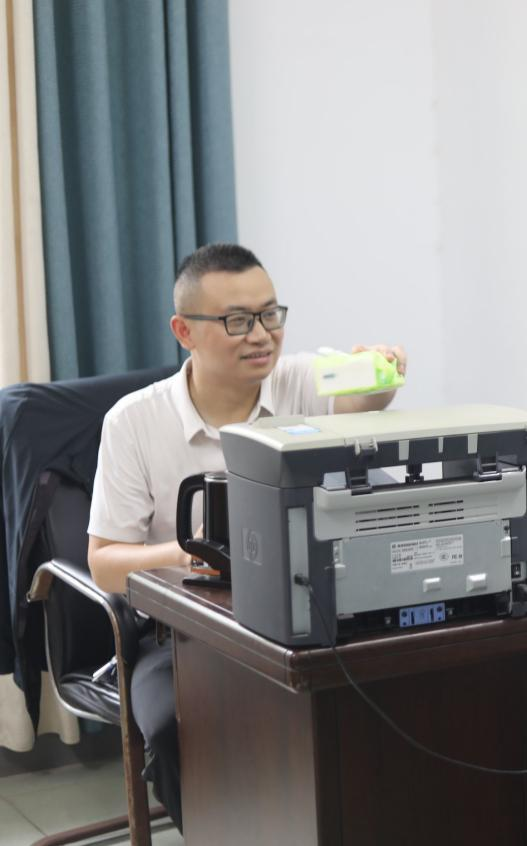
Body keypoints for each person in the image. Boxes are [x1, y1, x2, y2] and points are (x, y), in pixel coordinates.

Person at [86, 243, 407, 831]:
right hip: (181, 636)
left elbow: (366, 398)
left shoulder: (299, 381)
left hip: (301, 612)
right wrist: (190, 551)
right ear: (184, 331)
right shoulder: (134, 422)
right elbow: (105, 563)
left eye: (269, 314)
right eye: (237, 321)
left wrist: (383, 370)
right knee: (176, 729)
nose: (261, 336)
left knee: (379, 696)